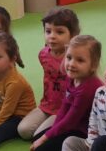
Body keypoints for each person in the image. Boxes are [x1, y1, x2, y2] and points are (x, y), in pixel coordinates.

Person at [30, 35, 103, 151]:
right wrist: (51, 132)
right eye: (69, 58)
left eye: (80, 60)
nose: (71, 64)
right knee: (37, 138)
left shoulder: (88, 88)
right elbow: (65, 106)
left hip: (85, 132)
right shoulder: (72, 77)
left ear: (93, 65)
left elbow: (70, 121)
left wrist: (45, 138)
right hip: (74, 125)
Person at [17, 7, 80, 141]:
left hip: (65, 108)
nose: (52, 36)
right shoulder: (43, 54)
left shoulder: (74, 59)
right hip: (46, 105)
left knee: (38, 136)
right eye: (48, 31)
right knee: (23, 130)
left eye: (59, 32)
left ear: (73, 35)